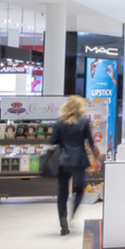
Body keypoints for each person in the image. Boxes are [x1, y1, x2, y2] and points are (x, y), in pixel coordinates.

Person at [50, 95, 100, 236]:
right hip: (79, 160)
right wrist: (95, 159)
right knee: (80, 188)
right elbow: (90, 142)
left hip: (63, 160)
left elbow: (53, 140)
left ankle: (63, 222)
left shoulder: (59, 122)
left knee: (62, 192)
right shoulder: (84, 121)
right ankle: (73, 211)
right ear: (80, 107)